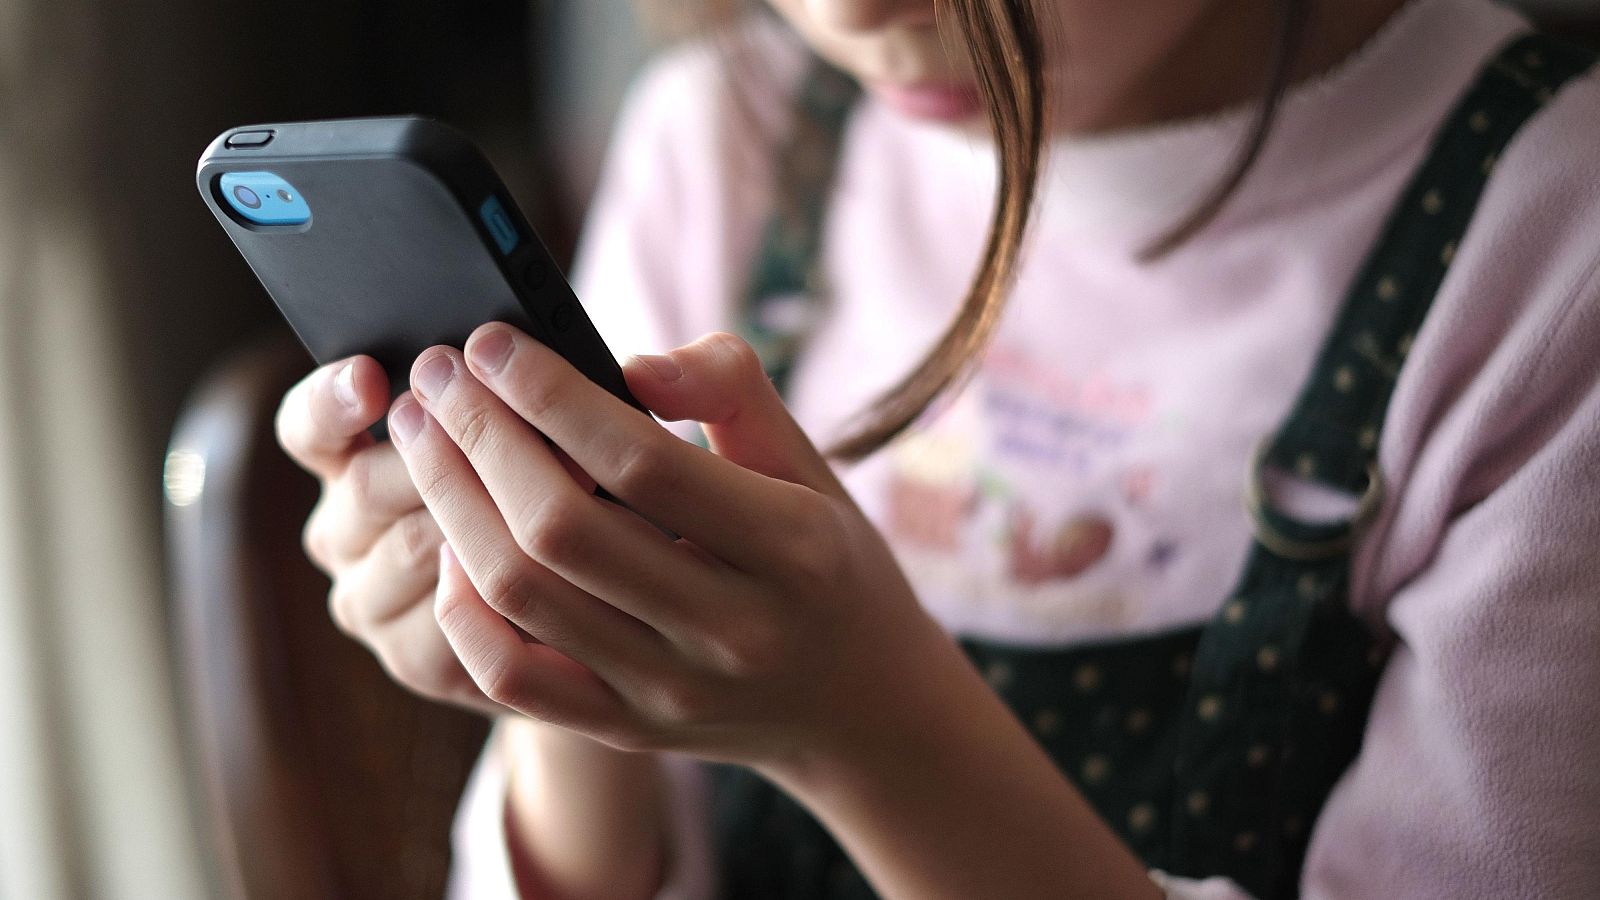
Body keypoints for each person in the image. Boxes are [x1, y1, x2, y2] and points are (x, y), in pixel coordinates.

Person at [273, 0, 1600, 896]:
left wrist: (867, 733)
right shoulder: (730, 143)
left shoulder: (1548, 249)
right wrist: (562, 652)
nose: (849, 10)